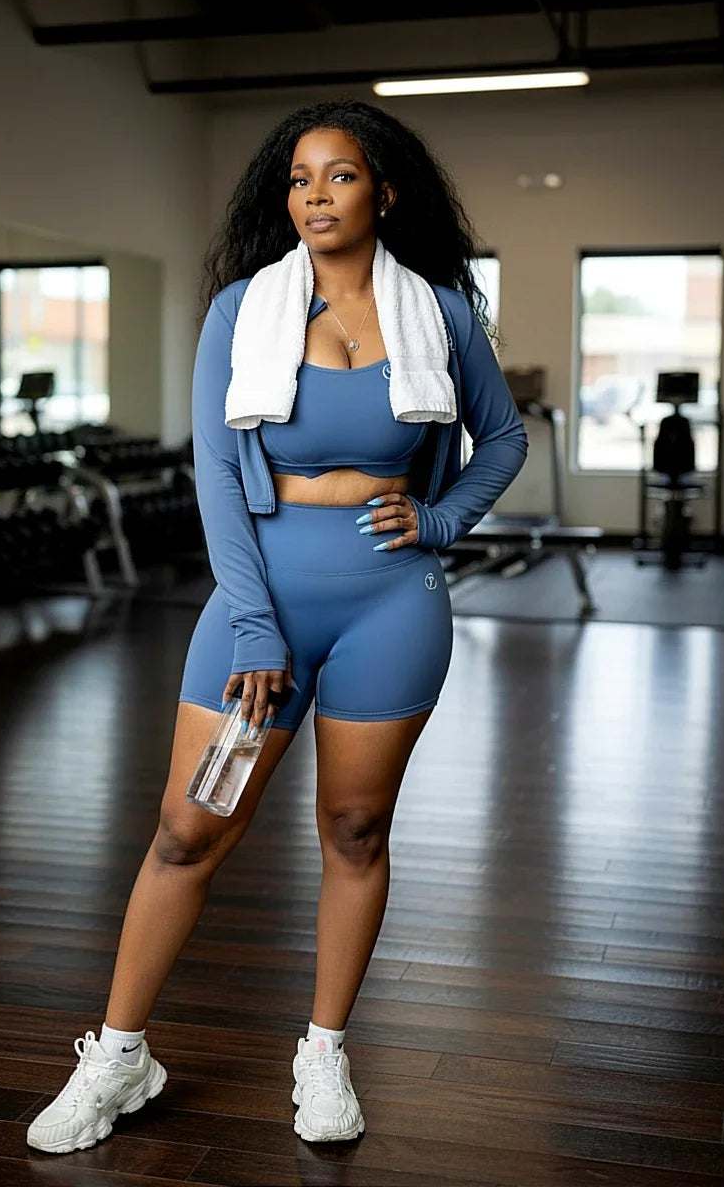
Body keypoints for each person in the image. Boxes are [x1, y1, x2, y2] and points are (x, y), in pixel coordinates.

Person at [26, 98, 528, 1155]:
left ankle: (323, 1050)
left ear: (380, 191)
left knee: (354, 831)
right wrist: (252, 624)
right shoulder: (240, 313)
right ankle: (118, 1057)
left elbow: (501, 438)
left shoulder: (434, 311)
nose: (313, 196)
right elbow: (216, 474)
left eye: (338, 176)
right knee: (187, 830)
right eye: (298, 179)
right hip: (264, 594)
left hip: (392, 596)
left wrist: (438, 518)